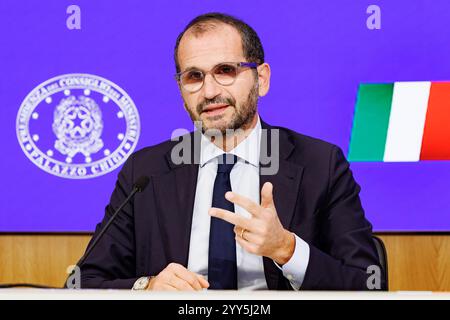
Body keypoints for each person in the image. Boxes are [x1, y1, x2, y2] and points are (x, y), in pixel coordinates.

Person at [79, 12, 382, 291]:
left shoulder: (320, 164)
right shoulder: (145, 171)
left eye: (226, 71)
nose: (209, 91)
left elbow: (368, 284)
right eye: (194, 76)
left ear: (260, 79)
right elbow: (82, 282)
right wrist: (147, 287)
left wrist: (287, 249)